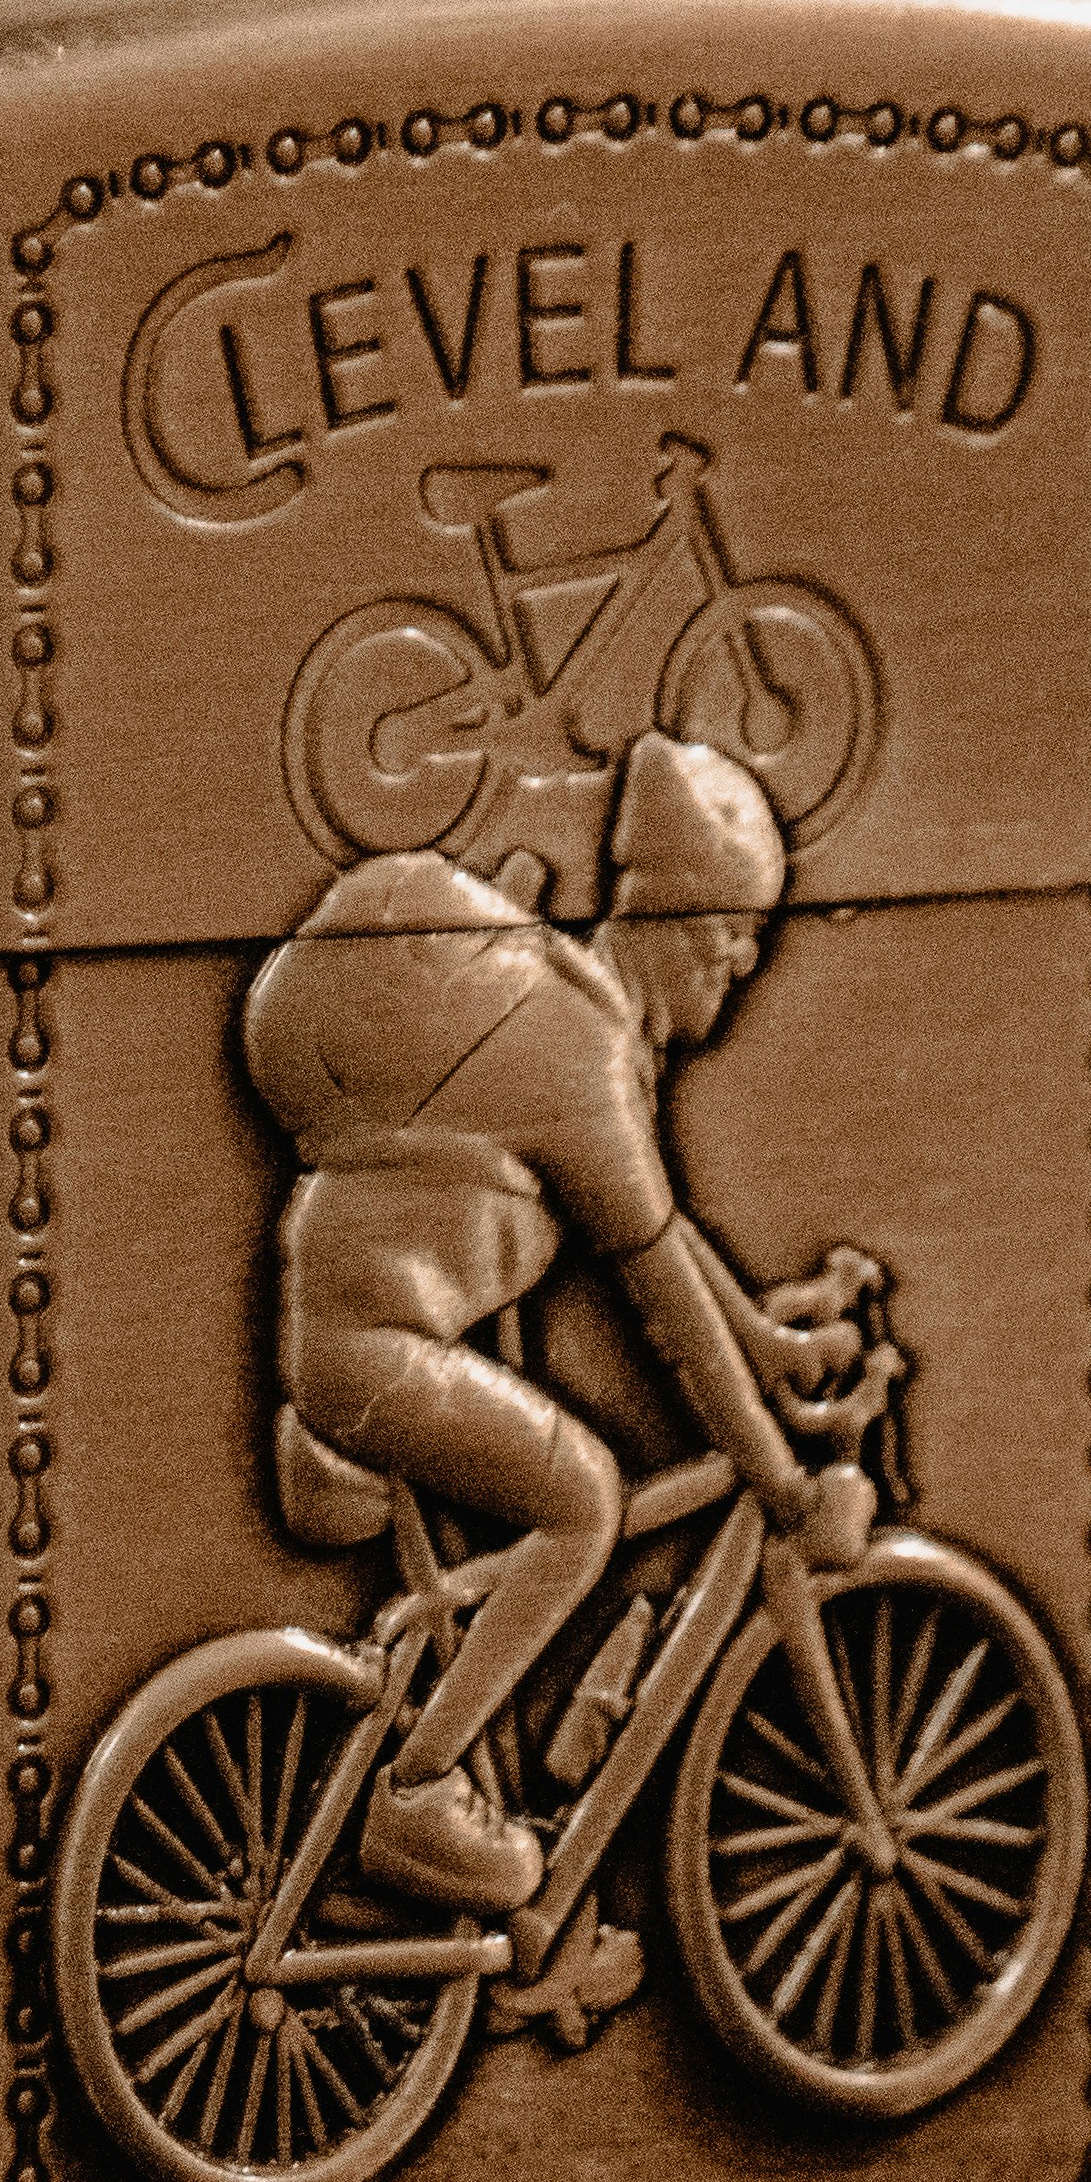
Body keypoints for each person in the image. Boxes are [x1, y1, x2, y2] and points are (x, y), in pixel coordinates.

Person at [238, 731, 877, 1914]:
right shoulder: (577, 1055)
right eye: (735, 949)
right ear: (681, 925)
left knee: (543, 1512)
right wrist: (783, 1483)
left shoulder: (578, 1031)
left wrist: (778, 1347)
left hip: (354, 1341)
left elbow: (659, 1230)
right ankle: (420, 1792)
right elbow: (668, 1312)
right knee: (583, 1497)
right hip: (375, 1358)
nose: (734, 982)